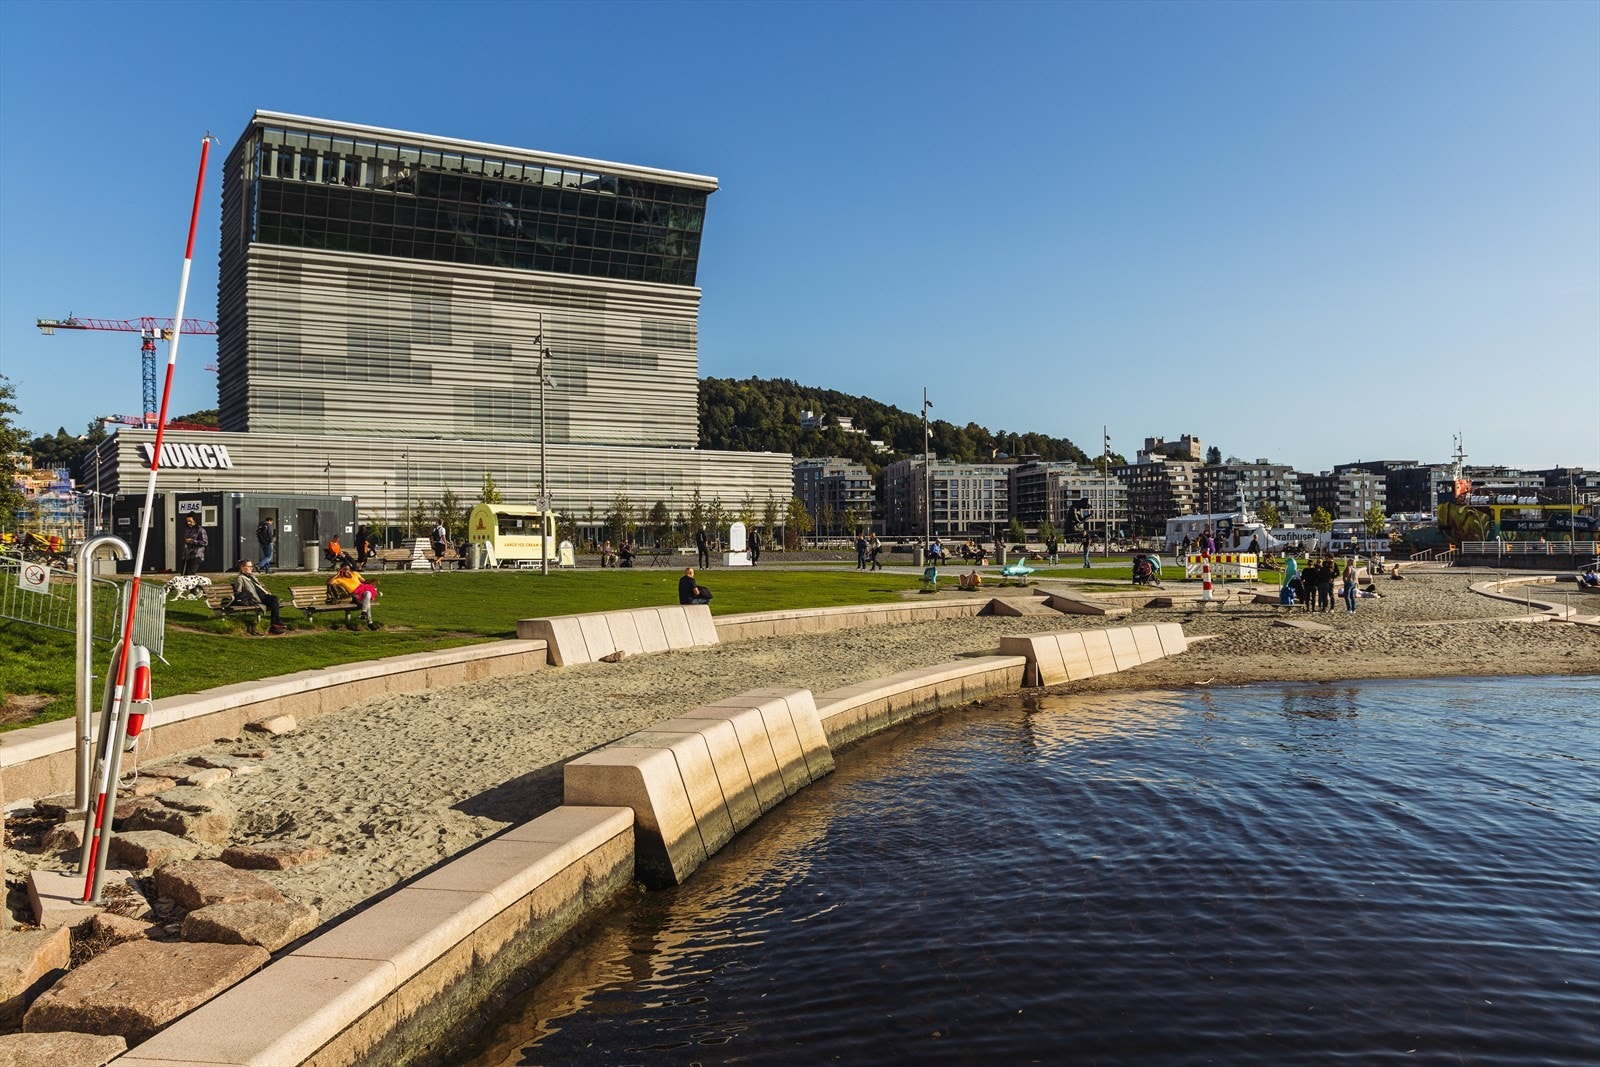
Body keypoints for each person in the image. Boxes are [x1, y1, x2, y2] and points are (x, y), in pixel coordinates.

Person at [231, 560, 287, 634]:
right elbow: (239, 592)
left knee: (274, 600)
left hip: (262, 596)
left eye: (251, 566)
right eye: (249, 566)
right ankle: (276, 624)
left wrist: (266, 592)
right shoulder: (240, 578)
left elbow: (259, 587)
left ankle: (275, 624)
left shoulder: (252, 576)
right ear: (242, 567)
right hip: (255, 598)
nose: (251, 568)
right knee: (274, 600)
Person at [327, 562, 381, 628]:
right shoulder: (339, 579)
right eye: (345, 569)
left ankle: (363, 613)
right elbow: (328, 582)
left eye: (348, 569)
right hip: (355, 595)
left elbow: (364, 581)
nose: (347, 571)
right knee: (367, 603)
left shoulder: (355, 573)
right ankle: (369, 622)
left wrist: (373, 579)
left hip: (363, 591)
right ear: (341, 570)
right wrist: (337, 574)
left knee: (368, 593)